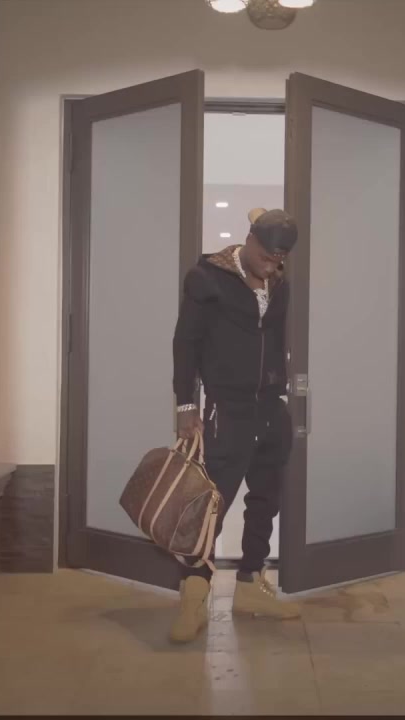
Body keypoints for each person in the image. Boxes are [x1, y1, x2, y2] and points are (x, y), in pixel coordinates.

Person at [168, 207, 302, 644]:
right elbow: (185, 343)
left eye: (279, 259)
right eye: (265, 256)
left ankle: (249, 585)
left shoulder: (279, 283)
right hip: (227, 410)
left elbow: (275, 340)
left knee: (265, 501)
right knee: (210, 506)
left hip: (270, 408)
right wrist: (186, 404)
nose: (271, 266)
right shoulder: (207, 279)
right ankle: (193, 596)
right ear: (250, 240)